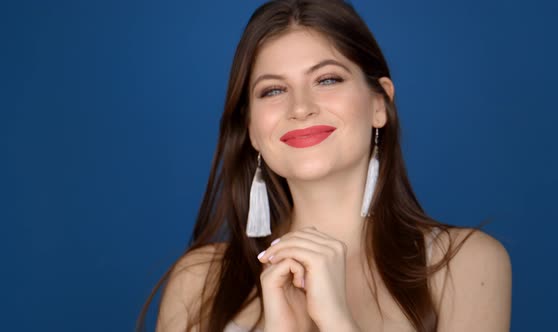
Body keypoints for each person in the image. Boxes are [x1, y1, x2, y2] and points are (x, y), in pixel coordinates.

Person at [137, 1, 512, 331]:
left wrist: (336, 321)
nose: (300, 107)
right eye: (273, 90)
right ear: (251, 129)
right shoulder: (199, 281)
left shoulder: (466, 264)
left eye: (327, 79)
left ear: (380, 104)